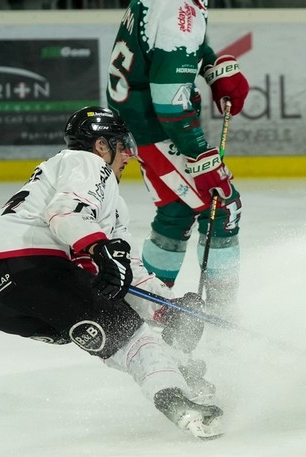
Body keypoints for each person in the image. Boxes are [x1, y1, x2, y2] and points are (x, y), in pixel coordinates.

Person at [0, 106, 222, 439]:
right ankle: (183, 408)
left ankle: (181, 375)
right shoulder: (86, 163)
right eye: (121, 145)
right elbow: (65, 214)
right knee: (132, 338)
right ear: (100, 146)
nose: (127, 155)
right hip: (28, 268)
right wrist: (101, 249)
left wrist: (168, 309)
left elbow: (121, 273)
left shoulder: (76, 186)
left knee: (113, 330)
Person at [106, 0, 249, 338]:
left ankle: (149, 311)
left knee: (176, 211)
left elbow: (167, 48)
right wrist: (199, 155)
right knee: (224, 208)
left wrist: (211, 64)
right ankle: (221, 321)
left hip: (140, 121)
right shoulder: (179, 8)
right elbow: (170, 100)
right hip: (158, 127)